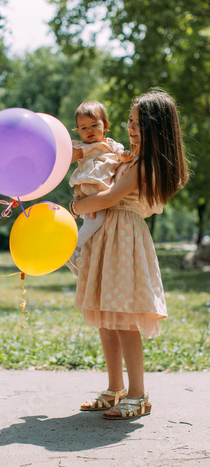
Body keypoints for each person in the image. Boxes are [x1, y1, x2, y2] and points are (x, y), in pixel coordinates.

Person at [69, 90, 188, 419]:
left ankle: (138, 394)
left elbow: (109, 199)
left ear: (155, 128)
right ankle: (115, 388)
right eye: (130, 122)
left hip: (124, 238)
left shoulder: (145, 165)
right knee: (107, 317)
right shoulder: (129, 159)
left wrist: (78, 206)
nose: (131, 128)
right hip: (109, 237)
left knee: (124, 319)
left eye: (138, 123)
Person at [68, 100, 134, 274]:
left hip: (102, 187)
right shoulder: (82, 147)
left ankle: (80, 259)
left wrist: (125, 156)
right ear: (77, 131)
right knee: (97, 219)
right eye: (83, 128)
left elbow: (121, 154)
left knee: (93, 222)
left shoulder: (110, 144)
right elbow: (68, 158)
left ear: (105, 125)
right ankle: (74, 247)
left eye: (94, 125)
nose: (89, 130)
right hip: (91, 186)